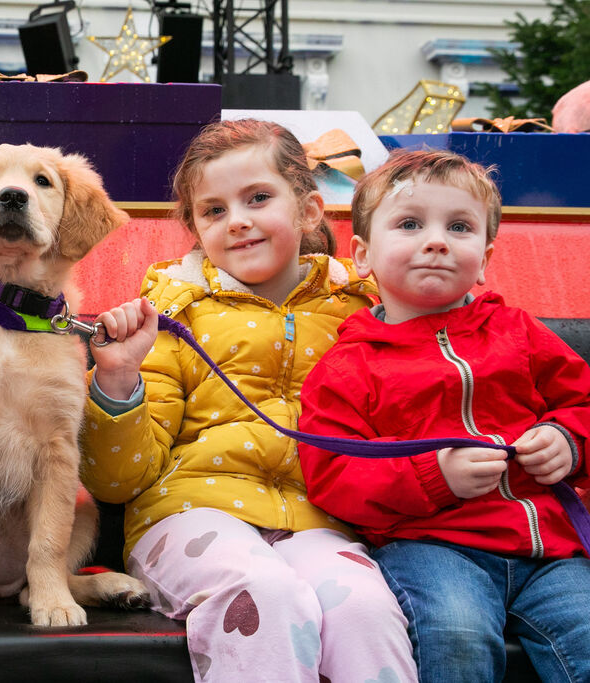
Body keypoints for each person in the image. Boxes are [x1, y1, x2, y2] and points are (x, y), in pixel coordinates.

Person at [80, 119, 416, 682]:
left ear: (309, 209)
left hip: (319, 524)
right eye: (213, 211)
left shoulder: (362, 311)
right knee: (262, 592)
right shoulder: (169, 314)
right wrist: (117, 381)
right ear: (195, 227)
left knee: (365, 608)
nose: (237, 221)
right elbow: (116, 481)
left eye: (258, 198)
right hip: (187, 517)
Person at [298, 149, 590, 682]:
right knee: (456, 636)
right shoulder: (348, 365)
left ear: (485, 257)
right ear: (362, 255)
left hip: (551, 551)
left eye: (459, 227)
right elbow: (332, 474)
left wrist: (570, 439)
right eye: (410, 224)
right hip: (432, 550)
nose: (436, 240)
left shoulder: (518, 332)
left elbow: (583, 402)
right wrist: (435, 477)